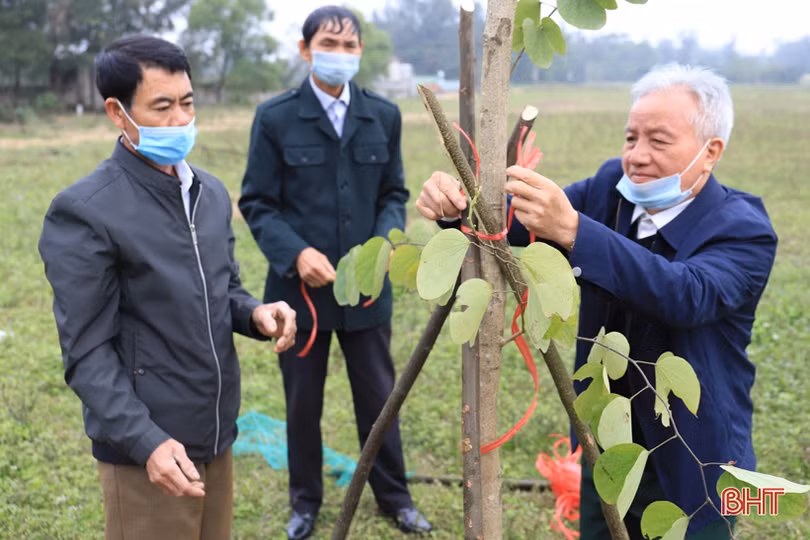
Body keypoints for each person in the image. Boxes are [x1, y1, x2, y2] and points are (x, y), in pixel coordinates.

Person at [414, 64, 777, 539]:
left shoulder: (744, 230)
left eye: (659, 141)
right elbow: (513, 227)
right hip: (608, 434)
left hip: (699, 451)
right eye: (631, 138)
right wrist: (458, 206)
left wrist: (576, 232)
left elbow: (687, 294)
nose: (637, 156)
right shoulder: (612, 190)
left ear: (710, 152)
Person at [38, 35, 297, 540]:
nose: (181, 120)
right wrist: (147, 442)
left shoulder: (209, 192)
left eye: (187, 102)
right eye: (162, 106)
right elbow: (87, 352)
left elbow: (223, 287)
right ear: (118, 112)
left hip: (215, 433)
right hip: (149, 452)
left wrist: (254, 314)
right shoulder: (86, 211)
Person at [238, 6, 431, 539]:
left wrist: (386, 240)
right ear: (305, 50)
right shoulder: (275, 118)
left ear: (361, 52)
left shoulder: (383, 115)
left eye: (350, 46)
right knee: (303, 404)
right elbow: (257, 202)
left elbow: (394, 193)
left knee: (380, 398)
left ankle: (395, 498)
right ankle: (305, 504)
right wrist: (296, 253)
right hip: (298, 297)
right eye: (329, 44)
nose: (339, 55)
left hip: (368, 294)